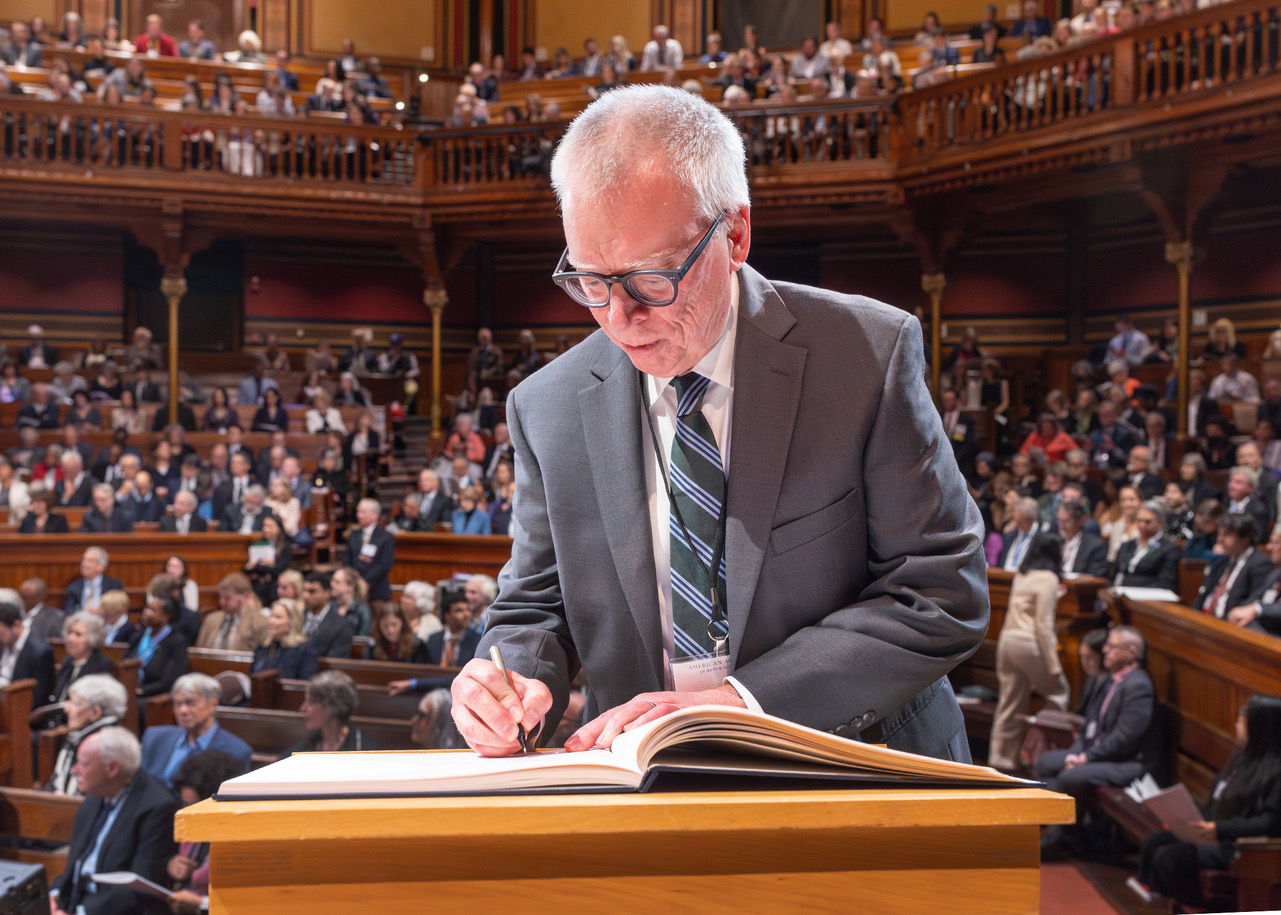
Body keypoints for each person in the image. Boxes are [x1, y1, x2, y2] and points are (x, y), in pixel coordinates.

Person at [452, 86, 987, 760]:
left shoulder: (865, 355)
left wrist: (742, 701)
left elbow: (939, 591)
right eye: (590, 280)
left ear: (733, 235)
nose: (617, 318)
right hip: (651, 785)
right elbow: (535, 606)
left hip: (857, 766)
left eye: (650, 279)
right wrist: (507, 678)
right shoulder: (545, 406)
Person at [1133, 695, 1281, 908]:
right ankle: (1162, 903)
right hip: (1212, 833)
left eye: (1243, 719)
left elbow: (1270, 823)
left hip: (1239, 846)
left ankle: (1196, 909)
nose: (1237, 723)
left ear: (1260, 727)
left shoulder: (1276, 770)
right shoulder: (1243, 757)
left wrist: (1219, 828)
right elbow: (1218, 799)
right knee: (1152, 843)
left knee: (1169, 857)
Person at [1037, 627, 1158, 857]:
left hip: (1128, 762)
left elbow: (1124, 740)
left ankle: (1066, 836)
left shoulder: (1138, 686)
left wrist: (1085, 759)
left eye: (1112, 647)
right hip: (1100, 753)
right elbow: (1090, 728)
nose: (1105, 651)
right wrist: (1076, 754)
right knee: (1046, 762)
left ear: (1132, 653)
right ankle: (1057, 827)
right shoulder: (1111, 681)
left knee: (1069, 776)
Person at [50, 727, 177, 915]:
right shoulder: (97, 793)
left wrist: (81, 912)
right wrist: (54, 895)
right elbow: (77, 864)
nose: (74, 770)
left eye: (83, 764)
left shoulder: (157, 807)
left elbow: (142, 887)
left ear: (112, 768)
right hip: (74, 903)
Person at [989, 534, 1070, 772]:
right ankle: (1039, 751)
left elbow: (1026, 606)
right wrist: (1053, 666)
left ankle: (1000, 759)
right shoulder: (1049, 578)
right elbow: (1043, 625)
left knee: (1009, 704)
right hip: (1029, 645)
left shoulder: (1023, 575)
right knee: (1059, 693)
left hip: (1007, 642)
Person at [166, 750, 248, 915]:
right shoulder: (189, 822)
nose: (191, 813)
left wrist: (200, 903)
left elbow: (246, 903)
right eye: (187, 805)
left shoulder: (240, 838)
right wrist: (173, 867)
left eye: (197, 806)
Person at [140, 674, 252, 786]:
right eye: (178, 704)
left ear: (212, 704)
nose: (183, 710)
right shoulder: (155, 737)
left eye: (190, 703)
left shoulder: (235, 751)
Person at [46, 674, 127, 795]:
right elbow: (54, 782)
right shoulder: (76, 736)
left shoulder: (108, 745)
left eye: (74, 703)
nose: (66, 708)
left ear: (95, 712)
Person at [284, 670, 375, 755]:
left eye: (311, 702)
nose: (303, 708)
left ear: (332, 705)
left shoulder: (363, 750)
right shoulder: (301, 750)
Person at [125, 592, 190, 697]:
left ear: (167, 616)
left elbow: (170, 682)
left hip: (153, 697)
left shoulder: (176, 642)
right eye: (146, 608)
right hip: (129, 690)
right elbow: (124, 664)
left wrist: (142, 690)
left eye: (152, 610)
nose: (145, 612)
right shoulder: (138, 636)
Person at [1112, 500, 1180, 593]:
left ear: (1161, 522)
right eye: (1139, 520)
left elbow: (1166, 583)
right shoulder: (1126, 546)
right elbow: (1113, 576)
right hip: (1120, 595)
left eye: (1147, 522)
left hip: (1147, 599)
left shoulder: (1169, 549)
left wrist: (1128, 583)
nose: (1142, 525)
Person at [0, 597, 55, 706]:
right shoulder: (3, 642)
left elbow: (37, 698)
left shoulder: (40, 652)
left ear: (16, 625)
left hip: (16, 710)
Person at [51, 611, 113, 706]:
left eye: (78, 634)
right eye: (70, 633)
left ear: (93, 638)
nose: (70, 638)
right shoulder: (67, 662)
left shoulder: (101, 664)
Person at [252, 599, 318, 680]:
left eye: (278, 617)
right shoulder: (263, 647)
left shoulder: (304, 650)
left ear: (292, 622)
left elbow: (304, 683)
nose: (271, 621)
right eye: (271, 616)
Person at [346, 498, 394, 602]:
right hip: (354, 588)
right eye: (358, 511)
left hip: (377, 590)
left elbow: (384, 564)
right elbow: (347, 560)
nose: (359, 515)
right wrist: (354, 579)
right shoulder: (354, 535)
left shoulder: (386, 537)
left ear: (375, 515)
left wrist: (365, 581)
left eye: (363, 512)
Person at [300, 571, 356, 658]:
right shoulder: (297, 618)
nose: (305, 596)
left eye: (312, 591)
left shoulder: (342, 625)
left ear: (327, 593)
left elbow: (337, 661)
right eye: (304, 591)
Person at [330, 566, 373, 638]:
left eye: (337, 582)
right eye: (332, 581)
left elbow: (363, 638)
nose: (332, 584)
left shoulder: (362, 609)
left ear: (350, 587)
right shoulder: (330, 607)